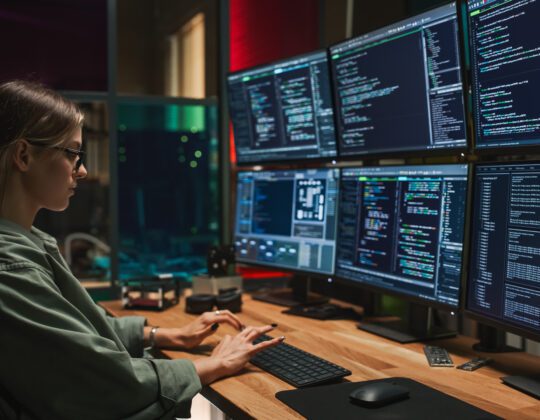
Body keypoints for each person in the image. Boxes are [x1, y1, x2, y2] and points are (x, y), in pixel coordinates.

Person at [0, 80, 284, 419]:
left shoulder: (26, 243)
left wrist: (170, 335)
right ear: (23, 155)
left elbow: (80, 332)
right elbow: (105, 383)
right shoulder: (11, 268)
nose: (84, 170)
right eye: (73, 154)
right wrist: (213, 364)